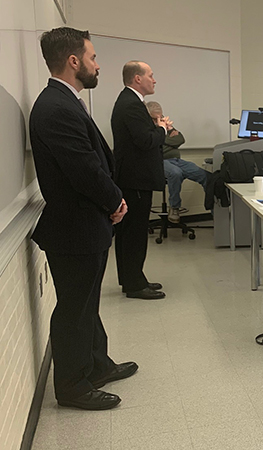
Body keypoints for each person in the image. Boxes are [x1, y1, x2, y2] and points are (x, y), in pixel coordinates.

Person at [30, 27, 138, 410]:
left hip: (85, 225)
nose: (97, 65)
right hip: (74, 228)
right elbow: (85, 169)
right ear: (74, 61)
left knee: (87, 304)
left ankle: (97, 365)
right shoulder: (56, 107)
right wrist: (116, 200)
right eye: (93, 57)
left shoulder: (65, 101)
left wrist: (111, 201)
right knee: (74, 310)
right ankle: (73, 386)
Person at [111, 61, 169, 300]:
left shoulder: (130, 102)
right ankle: (134, 285)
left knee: (128, 232)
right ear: (137, 78)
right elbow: (145, 141)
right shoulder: (132, 105)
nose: (154, 80)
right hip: (136, 179)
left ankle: (132, 278)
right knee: (134, 232)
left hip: (132, 178)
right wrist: (163, 129)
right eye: (151, 76)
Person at [146, 101, 208, 223]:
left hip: (177, 160)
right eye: (155, 118)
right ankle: (174, 207)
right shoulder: (146, 128)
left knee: (205, 175)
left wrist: (163, 141)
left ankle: (213, 207)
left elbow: (180, 139)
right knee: (176, 173)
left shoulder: (165, 124)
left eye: (161, 117)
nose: (159, 121)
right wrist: (168, 139)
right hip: (160, 162)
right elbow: (154, 146)